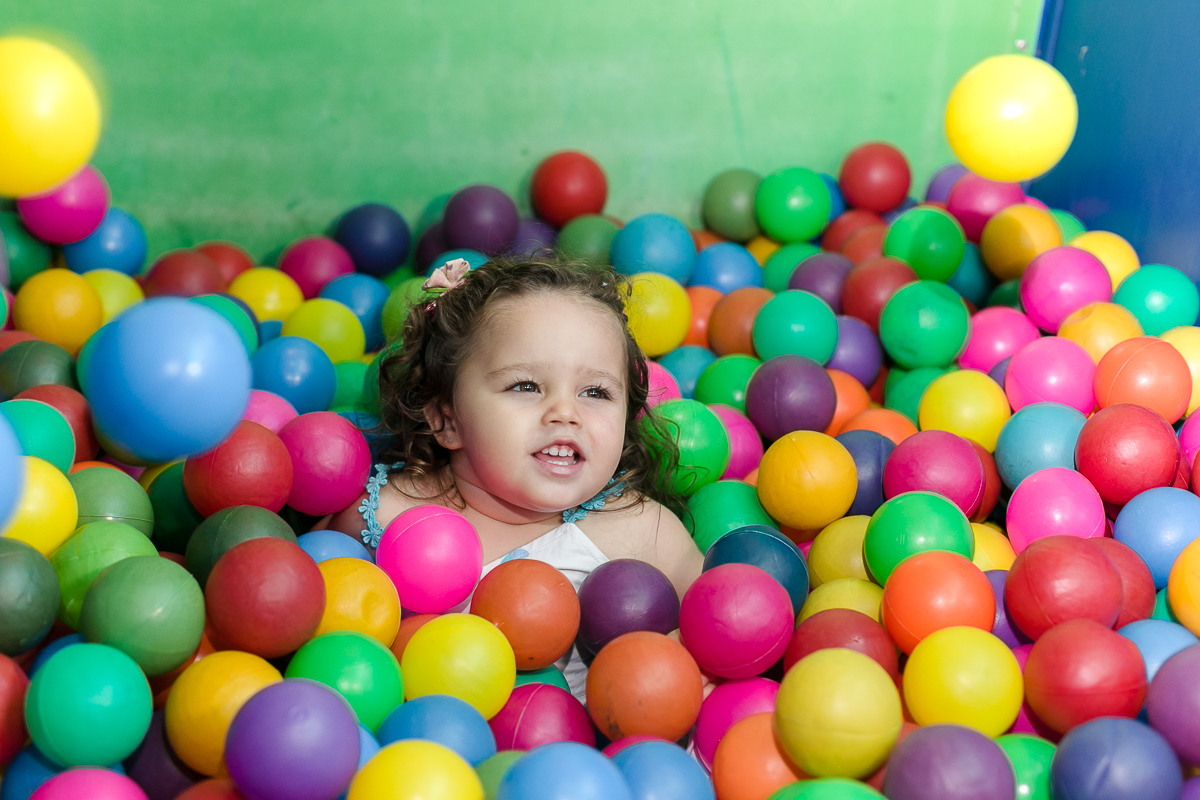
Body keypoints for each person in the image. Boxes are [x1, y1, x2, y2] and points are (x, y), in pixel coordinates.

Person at [324, 254, 704, 699]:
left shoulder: (640, 530)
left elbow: (720, 619)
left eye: (596, 392)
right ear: (448, 419)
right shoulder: (387, 517)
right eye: (525, 386)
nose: (566, 412)